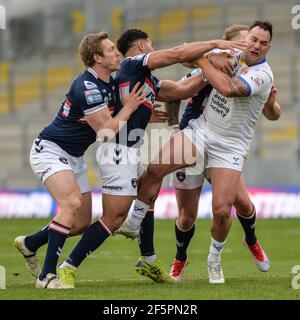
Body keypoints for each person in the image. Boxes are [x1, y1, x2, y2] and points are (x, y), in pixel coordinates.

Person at [57, 29, 247, 288]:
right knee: (114, 218)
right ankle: (67, 265)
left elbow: (180, 90)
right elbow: (178, 54)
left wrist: (208, 72)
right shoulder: (133, 64)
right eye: (152, 44)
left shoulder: (144, 79)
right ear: (143, 45)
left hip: (130, 149)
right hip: (117, 152)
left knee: (149, 187)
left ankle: (148, 257)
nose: (154, 48)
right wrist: (213, 46)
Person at [116, 20, 275, 284]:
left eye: (262, 42)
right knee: (156, 171)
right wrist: (210, 56)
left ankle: (215, 260)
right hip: (201, 130)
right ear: (243, 41)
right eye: (252, 40)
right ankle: (135, 224)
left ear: (269, 46)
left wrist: (204, 60)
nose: (255, 45)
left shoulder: (263, 75)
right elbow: (185, 62)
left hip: (231, 145)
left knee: (224, 210)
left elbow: (228, 89)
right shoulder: (231, 57)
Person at [14, 31, 146, 289]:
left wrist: (143, 114)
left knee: (80, 223)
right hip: (50, 150)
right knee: (71, 202)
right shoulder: (87, 86)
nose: (117, 53)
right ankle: (47, 277)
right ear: (97, 58)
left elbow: (114, 117)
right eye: (110, 50)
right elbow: (106, 133)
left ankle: (29, 243)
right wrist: (129, 108)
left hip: (72, 156)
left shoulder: (109, 81)